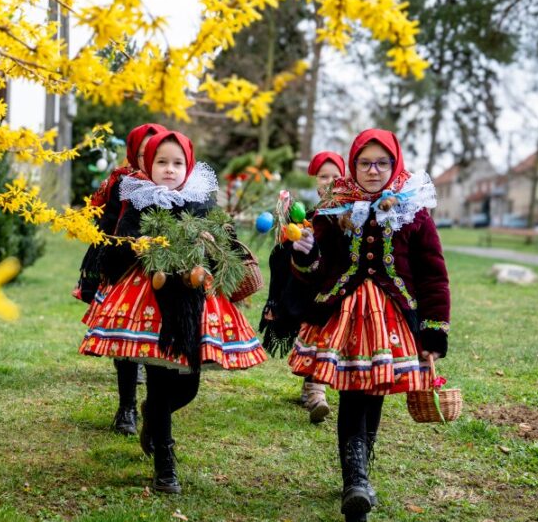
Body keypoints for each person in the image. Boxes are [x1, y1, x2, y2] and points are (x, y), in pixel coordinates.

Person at [80, 130, 267, 494]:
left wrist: (215, 244)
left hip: (194, 299)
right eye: (161, 162)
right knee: (160, 378)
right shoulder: (138, 200)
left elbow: (224, 246)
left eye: (177, 162)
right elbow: (113, 252)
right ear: (149, 166)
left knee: (188, 383)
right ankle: (165, 463)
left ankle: (152, 414)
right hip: (149, 299)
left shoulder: (200, 200)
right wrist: (136, 245)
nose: (169, 169)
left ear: (189, 166)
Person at [287, 129, 449, 522]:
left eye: (382, 163)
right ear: (353, 164)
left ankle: (358, 474)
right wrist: (304, 254)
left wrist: (433, 332)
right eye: (365, 163)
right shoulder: (334, 206)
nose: (373, 170)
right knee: (354, 394)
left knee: (372, 391)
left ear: (395, 165)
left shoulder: (414, 208)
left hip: (392, 317)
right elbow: (316, 268)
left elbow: (432, 274)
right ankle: (355, 480)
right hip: (345, 316)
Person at [75, 123, 167, 436]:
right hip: (125, 266)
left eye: (155, 153)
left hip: (164, 271)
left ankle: (158, 407)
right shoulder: (122, 181)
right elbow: (107, 221)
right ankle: (127, 407)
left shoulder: (177, 184)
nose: (149, 159)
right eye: (143, 153)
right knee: (124, 339)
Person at [260, 152, 345, 424]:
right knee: (317, 335)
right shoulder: (312, 217)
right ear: (315, 180)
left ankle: (315, 388)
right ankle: (315, 391)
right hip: (314, 287)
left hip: (343, 287)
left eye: (336, 176)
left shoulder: (354, 212)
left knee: (330, 339)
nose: (330, 181)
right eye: (324, 176)